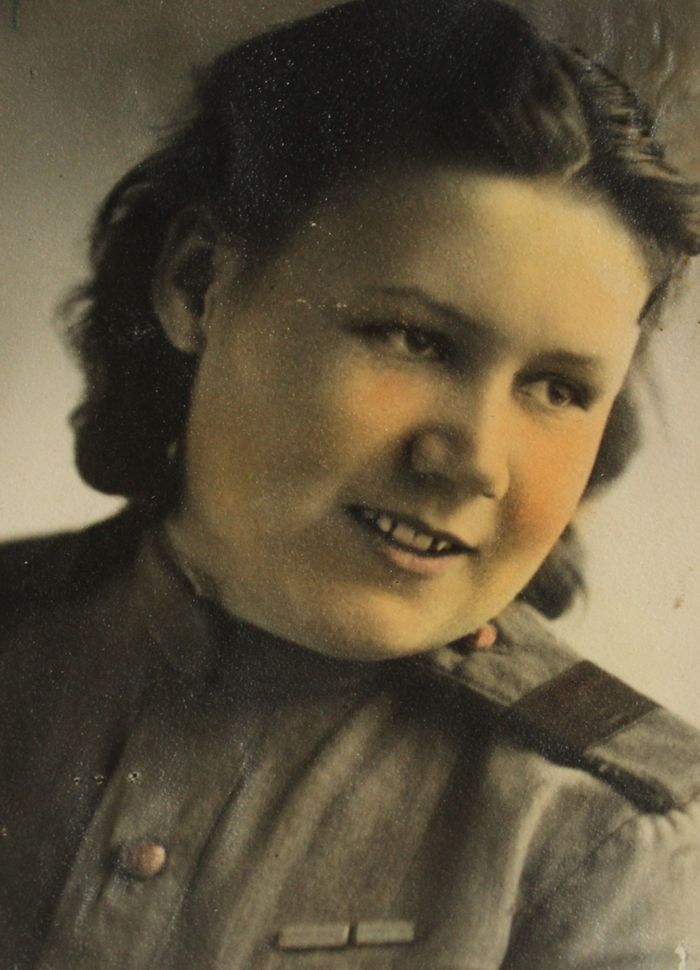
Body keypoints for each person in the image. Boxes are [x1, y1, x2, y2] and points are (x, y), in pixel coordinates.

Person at [2, 0, 700, 966]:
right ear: (199, 284)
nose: (473, 460)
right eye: (412, 338)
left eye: (557, 388)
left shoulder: (596, 834)